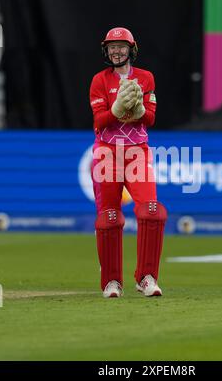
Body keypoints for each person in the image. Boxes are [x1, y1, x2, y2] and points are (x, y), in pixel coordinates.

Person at [89, 27, 167, 298]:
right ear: (106, 51)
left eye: (121, 46)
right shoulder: (99, 80)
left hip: (137, 152)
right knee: (109, 218)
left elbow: (151, 119)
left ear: (131, 49)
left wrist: (140, 109)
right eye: (112, 47)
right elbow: (99, 121)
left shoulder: (145, 78)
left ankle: (146, 277)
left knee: (152, 211)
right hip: (107, 153)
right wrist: (117, 109)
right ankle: (112, 282)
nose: (116, 51)